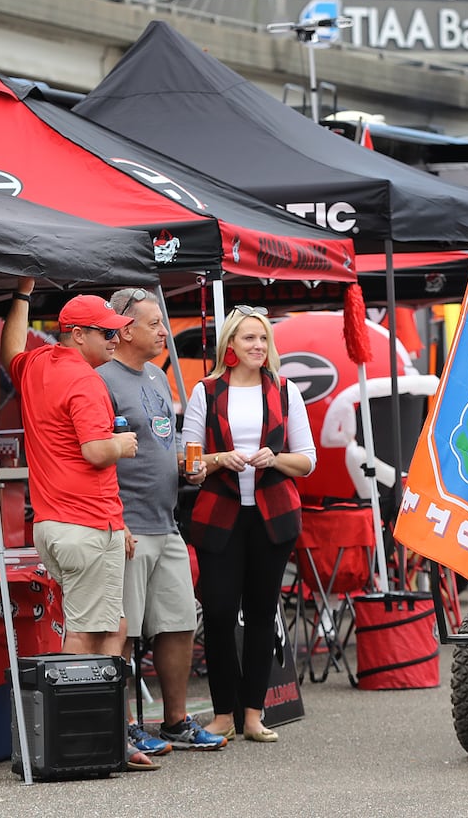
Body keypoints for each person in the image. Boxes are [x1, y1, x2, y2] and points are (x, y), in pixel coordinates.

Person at [0, 279, 158, 771]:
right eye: (105, 333)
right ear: (75, 334)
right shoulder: (87, 381)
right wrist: (125, 443)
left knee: (111, 625)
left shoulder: (38, 364)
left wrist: (22, 296)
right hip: (86, 526)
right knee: (90, 634)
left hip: (56, 525)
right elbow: (95, 451)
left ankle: (106, 735)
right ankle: (84, 736)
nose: (115, 339)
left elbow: (10, 347)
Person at [98, 287, 227, 755]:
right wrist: (115, 519)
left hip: (166, 522)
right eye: (154, 324)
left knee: (178, 622)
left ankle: (175, 721)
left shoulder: (155, 376)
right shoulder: (102, 380)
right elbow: (94, 457)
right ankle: (123, 726)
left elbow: (162, 444)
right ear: (125, 328)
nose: (163, 332)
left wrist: (186, 465)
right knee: (124, 631)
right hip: (126, 526)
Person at [181, 305, 315, 743]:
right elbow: (190, 464)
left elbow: (307, 460)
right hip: (219, 514)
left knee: (261, 613)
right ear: (231, 346)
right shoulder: (206, 390)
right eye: (249, 339)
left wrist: (274, 458)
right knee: (218, 612)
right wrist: (219, 459)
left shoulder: (285, 389)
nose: (258, 346)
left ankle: (253, 714)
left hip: (272, 516)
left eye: (263, 339)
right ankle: (223, 713)